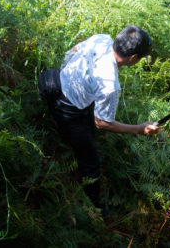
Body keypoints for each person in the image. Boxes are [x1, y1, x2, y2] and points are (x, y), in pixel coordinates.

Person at [49, 25, 159, 209]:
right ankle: (93, 208)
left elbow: (73, 50)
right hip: (68, 109)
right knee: (91, 163)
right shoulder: (110, 85)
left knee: (88, 131)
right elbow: (101, 123)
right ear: (133, 58)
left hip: (58, 81)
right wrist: (139, 129)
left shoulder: (101, 39)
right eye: (141, 58)